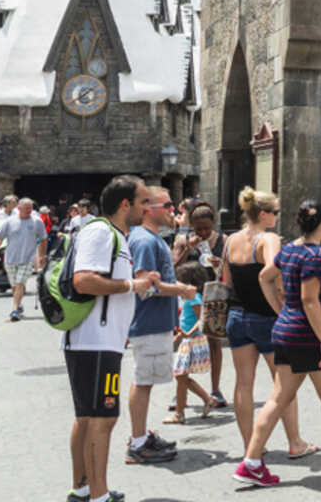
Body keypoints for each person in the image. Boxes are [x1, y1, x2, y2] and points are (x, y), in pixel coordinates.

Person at [234, 200, 321, 486]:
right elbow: (310, 300)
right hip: (309, 336)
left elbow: (265, 277)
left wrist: (280, 310)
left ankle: (251, 461)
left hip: (286, 332)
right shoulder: (315, 256)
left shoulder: (290, 250)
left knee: (277, 399)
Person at [65, 175, 159, 502]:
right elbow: (83, 280)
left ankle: (83, 489)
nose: (147, 209)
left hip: (100, 342)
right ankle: (99, 495)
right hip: (95, 342)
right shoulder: (101, 232)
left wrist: (137, 282)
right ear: (125, 204)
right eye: (144, 202)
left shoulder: (114, 235)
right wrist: (131, 286)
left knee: (88, 417)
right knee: (103, 418)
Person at [223, 187, 315, 460]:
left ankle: (250, 445)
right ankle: (295, 442)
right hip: (267, 317)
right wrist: (283, 304)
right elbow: (275, 271)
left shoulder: (230, 240)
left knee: (243, 384)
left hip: (237, 316)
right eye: (274, 212)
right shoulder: (268, 239)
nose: (277, 216)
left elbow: (227, 280)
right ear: (263, 214)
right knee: (284, 384)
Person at [124, 184, 196, 465]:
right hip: (148, 323)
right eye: (166, 205)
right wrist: (181, 291)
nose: (172, 210)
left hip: (157, 322)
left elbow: (157, 282)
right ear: (147, 209)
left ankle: (140, 436)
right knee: (143, 381)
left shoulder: (152, 239)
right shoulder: (144, 241)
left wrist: (180, 287)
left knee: (146, 380)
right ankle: (138, 442)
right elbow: (146, 287)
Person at [171, 202, 228, 408]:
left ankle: (215, 388)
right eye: (198, 228)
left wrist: (218, 264)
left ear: (213, 223)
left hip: (214, 296)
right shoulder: (182, 240)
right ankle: (181, 390)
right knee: (184, 341)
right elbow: (173, 267)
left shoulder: (223, 240)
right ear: (192, 226)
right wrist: (188, 248)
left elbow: (229, 269)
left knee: (214, 342)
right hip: (188, 297)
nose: (203, 232)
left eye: (207, 228)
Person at [165, 263, 214, 424]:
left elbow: (202, 319)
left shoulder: (194, 297)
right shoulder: (188, 297)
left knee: (180, 375)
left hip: (193, 340)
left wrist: (188, 333)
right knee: (181, 376)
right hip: (187, 338)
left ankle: (180, 413)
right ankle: (206, 399)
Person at [0, 197, 47, 321]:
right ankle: (19, 303)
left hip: (27, 259)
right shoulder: (9, 221)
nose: (29, 210)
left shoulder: (37, 221)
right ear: (19, 208)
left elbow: (43, 239)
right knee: (14, 285)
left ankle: (14, 310)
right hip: (10, 259)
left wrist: (42, 255)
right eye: (26, 208)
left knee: (20, 283)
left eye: (30, 208)